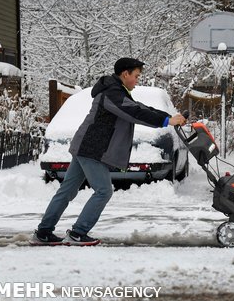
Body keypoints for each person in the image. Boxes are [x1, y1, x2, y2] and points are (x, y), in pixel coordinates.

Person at [30, 57, 186, 246]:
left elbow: (139, 107)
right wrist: (166, 121)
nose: (137, 80)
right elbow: (134, 112)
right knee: (103, 191)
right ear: (125, 74)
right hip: (92, 148)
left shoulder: (116, 91)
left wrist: (167, 117)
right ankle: (79, 233)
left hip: (87, 146)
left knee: (67, 190)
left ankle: (44, 232)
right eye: (136, 76)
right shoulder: (112, 93)